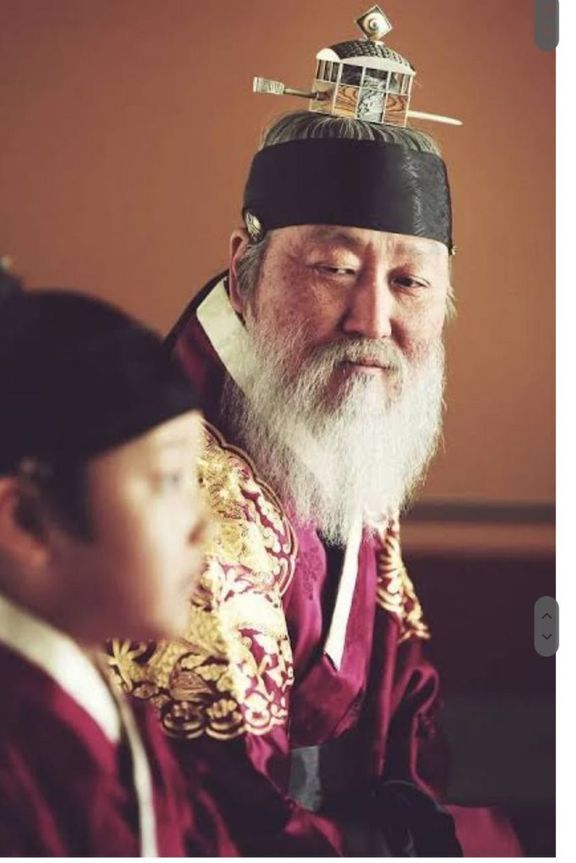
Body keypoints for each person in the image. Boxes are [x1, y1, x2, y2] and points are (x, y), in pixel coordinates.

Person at [109, 9, 520, 856]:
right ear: (243, 269)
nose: (371, 320)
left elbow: (399, 676)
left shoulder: (332, 406)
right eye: (335, 268)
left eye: (410, 282)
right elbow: (213, 814)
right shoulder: (179, 486)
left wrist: (402, 801)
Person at [0, 233, 209, 856]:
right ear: (26, 521)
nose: (204, 527)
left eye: (195, 480)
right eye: (169, 481)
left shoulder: (88, 696)